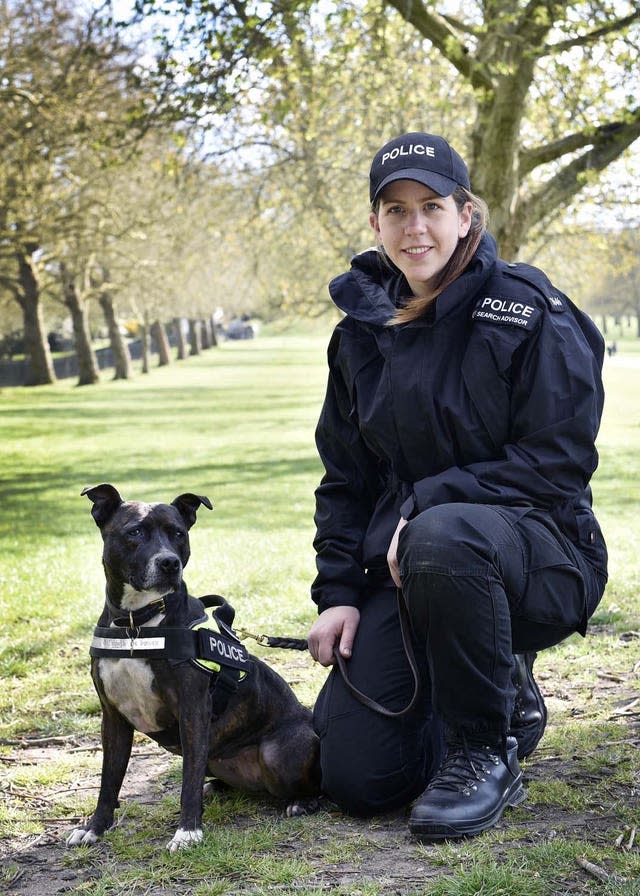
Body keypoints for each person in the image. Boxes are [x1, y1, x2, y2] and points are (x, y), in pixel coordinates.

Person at [307, 132, 608, 841]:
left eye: (432, 206)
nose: (416, 227)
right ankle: (491, 682)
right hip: (410, 570)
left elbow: (559, 458)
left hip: (541, 558)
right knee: (357, 778)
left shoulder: (527, 309)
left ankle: (486, 748)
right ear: (375, 225)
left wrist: (426, 504)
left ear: (466, 213)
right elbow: (346, 475)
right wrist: (340, 595)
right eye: (396, 210)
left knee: (444, 534)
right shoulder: (358, 332)